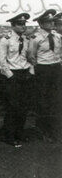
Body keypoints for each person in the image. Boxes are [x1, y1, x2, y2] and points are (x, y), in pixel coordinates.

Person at [0, 13, 34, 147]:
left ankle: (20, 133)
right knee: (12, 107)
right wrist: (11, 76)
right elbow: (2, 62)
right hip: (12, 76)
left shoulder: (26, 40)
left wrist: (30, 71)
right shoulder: (5, 40)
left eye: (24, 24)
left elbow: (30, 58)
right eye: (20, 24)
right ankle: (9, 136)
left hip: (25, 74)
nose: (23, 26)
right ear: (13, 25)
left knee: (23, 107)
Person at [28, 9, 62, 143]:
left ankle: (55, 131)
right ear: (41, 23)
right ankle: (43, 130)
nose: (52, 23)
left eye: (53, 21)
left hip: (56, 69)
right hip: (43, 70)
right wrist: (40, 68)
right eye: (49, 22)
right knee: (43, 100)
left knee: (56, 99)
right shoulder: (36, 38)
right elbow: (31, 56)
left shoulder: (57, 36)